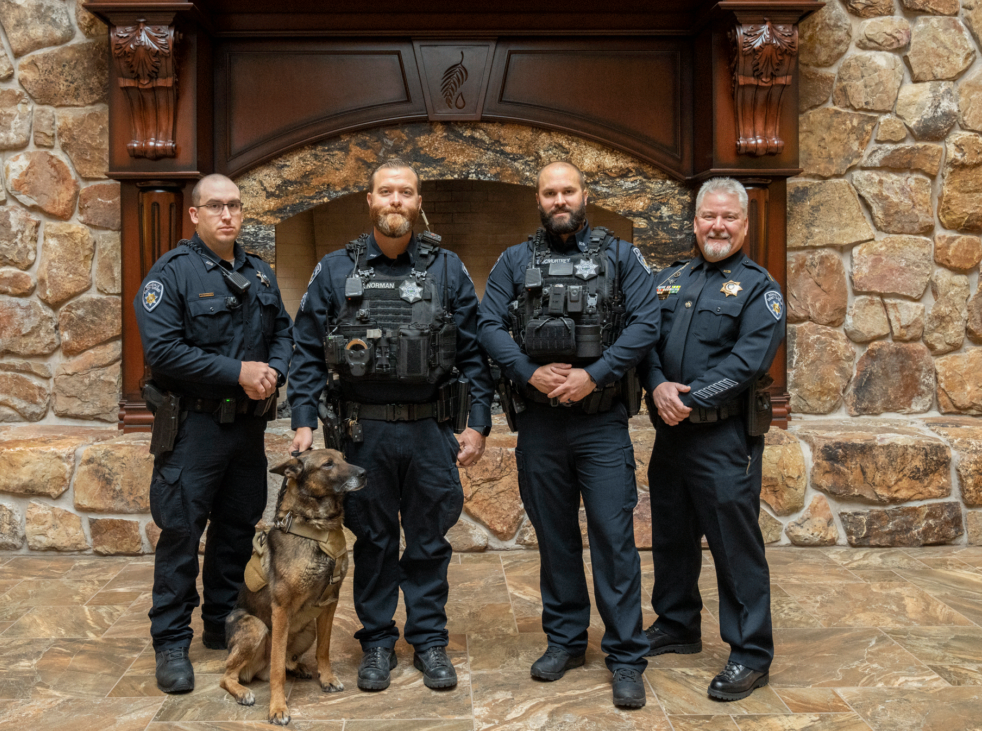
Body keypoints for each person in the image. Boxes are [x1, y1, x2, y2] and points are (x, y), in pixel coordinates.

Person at [288, 158, 491, 692]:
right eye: (386, 192)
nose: (396, 200)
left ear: (418, 203)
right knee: (374, 540)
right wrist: (304, 421)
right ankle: (377, 642)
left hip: (430, 429)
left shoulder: (448, 269)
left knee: (428, 540)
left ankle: (429, 642)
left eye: (406, 192)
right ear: (370, 202)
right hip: (361, 434)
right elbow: (307, 350)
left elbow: (474, 355)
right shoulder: (335, 269)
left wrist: (478, 424)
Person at [478, 161, 660, 709]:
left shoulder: (621, 255)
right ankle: (566, 641)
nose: (560, 200)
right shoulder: (514, 260)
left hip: (601, 422)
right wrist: (530, 372)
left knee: (612, 539)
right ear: (538, 199)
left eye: (568, 191)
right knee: (554, 538)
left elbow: (647, 322)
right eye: (550, 192)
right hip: (540, 424)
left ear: (586, 195)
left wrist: (593, 375)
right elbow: (487, 325)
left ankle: (626, 656)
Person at [134, 173, 293, 693]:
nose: (227, 215)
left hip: (244, 431)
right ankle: (171, 642)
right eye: (216, 206)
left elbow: (285, 333)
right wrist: (239, 372)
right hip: (194, 428)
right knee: (181, 534)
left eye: (235, 206)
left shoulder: (261, 275)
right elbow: (163, 352)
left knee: (237, 530)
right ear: (195, 215)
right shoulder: (171, 275)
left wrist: (273, 371)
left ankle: (221, 621)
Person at [639, 176, 785, 701]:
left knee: (734, 546)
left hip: (724, 439)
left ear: (744, 224)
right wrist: (656, 386)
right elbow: (644, 341)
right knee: (672, 535)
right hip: (671, 435)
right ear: (695, 221)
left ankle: (750, 652)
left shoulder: (759, 289)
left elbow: (748, 363)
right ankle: (677, 624)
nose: (717, 226)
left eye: (729, 217)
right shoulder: (670, 278)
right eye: (708, 217)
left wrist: (687, 399)